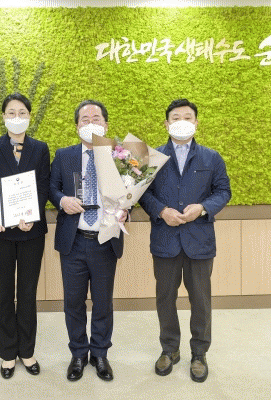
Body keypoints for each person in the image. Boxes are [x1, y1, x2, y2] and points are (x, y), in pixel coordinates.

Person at [139, 98, 231, 383]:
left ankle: (199, 353)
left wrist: (202, 208)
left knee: (200, 300)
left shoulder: (211, 158)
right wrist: (161, 211)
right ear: (166, 124)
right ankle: (170, 349)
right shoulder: (151, 157)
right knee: (165, 298)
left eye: (187, 117)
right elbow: (142, 193)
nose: (182, 121)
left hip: (199, 240)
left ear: (196, 122)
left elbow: (223, 191)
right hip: (165, 239)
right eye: (175, 117)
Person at [49, 100, 128, 382]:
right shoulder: (64, 155)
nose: (91, 123)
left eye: (96, 118)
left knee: (103, 302)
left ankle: (100, 354)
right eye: (85, 119)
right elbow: (51, 187)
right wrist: (62, 200)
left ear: (106, 124)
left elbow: (131, 192)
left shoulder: (121, 156)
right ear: (77, 126)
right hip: (74, 241)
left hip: (105, 240)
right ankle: (79, 353)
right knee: (73, 302)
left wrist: (126, 210)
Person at [0, 93, 50, 379]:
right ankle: (8, 353)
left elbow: (43, 185)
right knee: (4, 294)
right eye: (11, 112)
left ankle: (27, 351)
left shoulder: (40, 148)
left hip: (32, 233)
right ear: (3, 116)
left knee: (28, 294)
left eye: (22, 112)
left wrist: (32, 216)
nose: (16, 117)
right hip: (0, 235)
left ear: (29, 117)